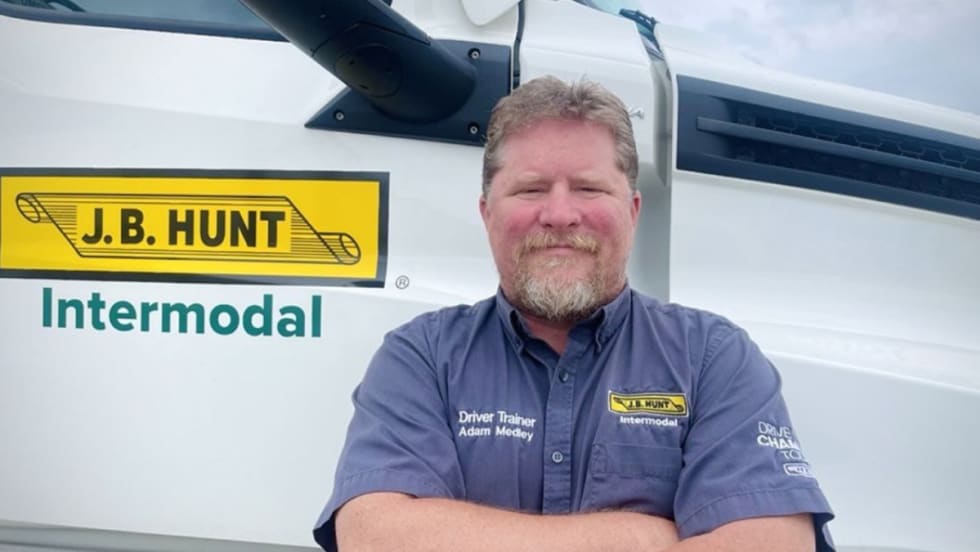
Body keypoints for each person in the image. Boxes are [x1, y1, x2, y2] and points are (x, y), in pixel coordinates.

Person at [313, 76, 835, 551]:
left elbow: (773, 543)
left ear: (632, 212)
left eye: (588, 188)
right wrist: (641, 536)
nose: (560, 215)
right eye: (531, 189)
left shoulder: (713, 357)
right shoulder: (421, 357)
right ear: (486, 212)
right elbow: (374, 535)